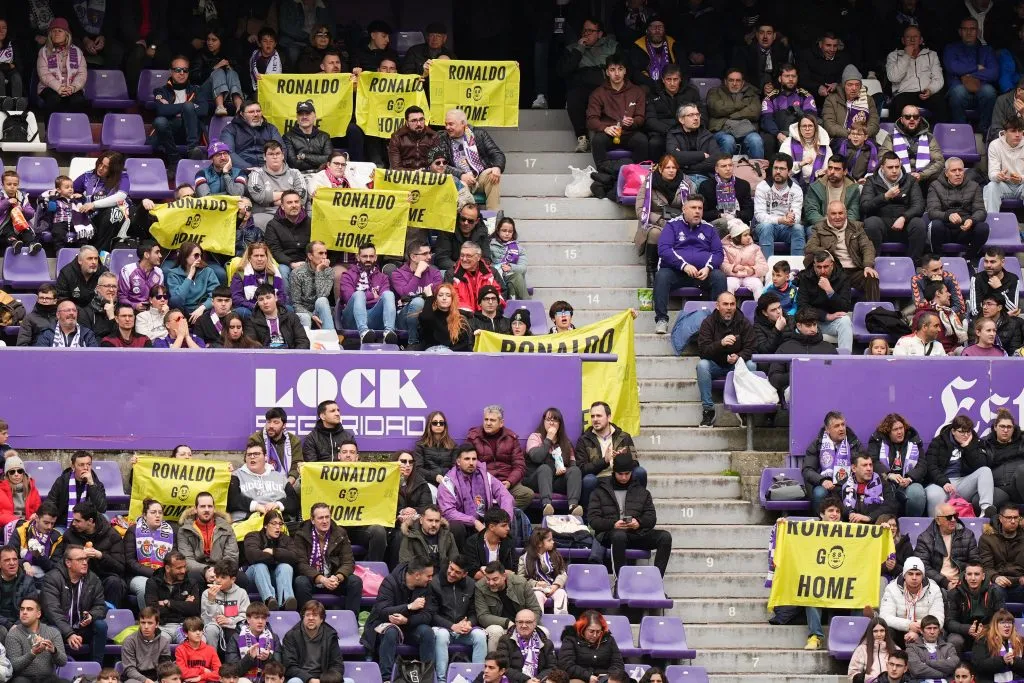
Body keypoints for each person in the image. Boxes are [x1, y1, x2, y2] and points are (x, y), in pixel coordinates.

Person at [588, 452, 671, 576]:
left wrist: (639, 523)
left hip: (635, 533)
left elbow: (651, 518)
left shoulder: (642, 492)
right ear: (614, 472)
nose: (623, 477)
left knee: (665, 537)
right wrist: (613, 524)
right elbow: (593, 520)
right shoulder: (600, 491)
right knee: (619, 536)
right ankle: (620, 582)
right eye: (620, 474)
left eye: (627, 473)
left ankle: (657, 581)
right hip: (611, 534)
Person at [653, 196, 726, 335]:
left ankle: (717, 321)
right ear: (684, 209)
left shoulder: (709, 229)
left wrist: (708, 267)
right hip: (677, 273)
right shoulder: (672, 226)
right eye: (693, 208)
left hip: (702, 274)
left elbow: (718, 253)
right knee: (661, 276)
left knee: (719, 277)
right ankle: (661, 319)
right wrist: (684, 266)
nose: (697, 211)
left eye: (700, 208)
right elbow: (664, 250)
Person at [361, 557, 435, 682]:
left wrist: (407, 621)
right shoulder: (390, 582)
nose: (431, 578)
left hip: (410, 626)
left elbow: (428, 615)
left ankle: (427, 678)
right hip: (384, 626)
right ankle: (386, 679)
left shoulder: (426, 587)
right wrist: (409, 607)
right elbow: (382, 611)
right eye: (428, 576)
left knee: (427, 632)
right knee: (391, 631)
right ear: (417, 575)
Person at [695, 291, 756, 426]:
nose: (729, 307)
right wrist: (720, 344)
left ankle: (744, 408)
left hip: (736, 365)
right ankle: (708, 409)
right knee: (702, 365)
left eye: (732, 304)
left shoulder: (743, 322)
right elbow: (703, 351)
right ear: (717, 306)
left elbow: (751, 348)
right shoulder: (708, 322)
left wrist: (739, 356)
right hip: (715, 364)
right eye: (725, 304)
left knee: (751, 365)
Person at [40, 544, 108, 663]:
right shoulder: (52, 578)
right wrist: (69, 633)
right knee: (51, 630)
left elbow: (100, 605)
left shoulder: (93, 579)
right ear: (68, 563)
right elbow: (52, 611)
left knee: (101, 626)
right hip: (60, 628)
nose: (85, 563)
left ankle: (96, 668)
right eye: (80, 560)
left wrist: (92, 616)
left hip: (82, 628)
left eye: (86, 559)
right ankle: (55, 669)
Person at [437, 444, 515, 548]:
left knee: (507, 521)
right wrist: (473, 521)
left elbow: (505, 495)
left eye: (474, 459)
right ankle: (461, 560)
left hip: (484, 519)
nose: (471, 463)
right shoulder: (448, 482)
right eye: (467, 459)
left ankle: (504, 559)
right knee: (456, 527)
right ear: (458, 462)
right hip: (463, 523)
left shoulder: (484, 475)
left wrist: (505, 519)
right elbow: (449, 512)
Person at [559, 18, 619, 151]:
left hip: (606, 86)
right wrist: (579, 49)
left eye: (590, 31)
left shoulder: (611, 46)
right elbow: (565, 70)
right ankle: (582, 138)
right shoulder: (573, 49)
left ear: (599, 33)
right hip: (582, 88)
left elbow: (621, 68)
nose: (586, 34)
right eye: (584, 30)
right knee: (573, 97)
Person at [575, 402, 646, 511]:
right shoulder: (584, 440)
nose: (595, 419)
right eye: (592, 416)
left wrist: (623, 460)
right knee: (589, 480)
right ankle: (588, 521)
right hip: (598, 478)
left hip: (620, 477)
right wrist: (605, 460)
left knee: (640, 472)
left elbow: (635, 463)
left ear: (608, 417)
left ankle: (638, 511)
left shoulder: (624, 437)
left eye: (599, 416)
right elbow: (581, 469)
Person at [860, 151, 928, 266]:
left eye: (897, 167)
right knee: (871, 223)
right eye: (890, 167)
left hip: (904, 225)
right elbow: (865, 207)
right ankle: (873, 265)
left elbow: (919, 206)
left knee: (919, 224)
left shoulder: (910, 180)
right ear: (882, 167)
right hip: (881, 224)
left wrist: (904, 217)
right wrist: (885, 196)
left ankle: (913, 265)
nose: (894, 170)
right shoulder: (872, 181)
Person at [293, 503, 363, 614]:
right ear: (312, 520)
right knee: (300, 582)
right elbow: (300, 564)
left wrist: (338, 577)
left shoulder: (340, 533)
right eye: (320, 518)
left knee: (355, 581)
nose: (325, 521)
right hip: (313, 580)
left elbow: (349, 562)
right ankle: (307, 620)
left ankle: (351, 621)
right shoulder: (301, 534)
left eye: (327, 517)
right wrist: (321, 579)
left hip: (333, 579)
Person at [806, 202, 880, 300]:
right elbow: (810, 247)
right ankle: (825, 312)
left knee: (871, 276)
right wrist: (827, 253)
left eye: (840, 213)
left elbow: (867, 247)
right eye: (833, 213)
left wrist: (868, 266)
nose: (837, 217)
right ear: (827, 215)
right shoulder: (819, 228)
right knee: (817, 269)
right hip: (833, 271)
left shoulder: (856, 227)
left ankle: (872, 312)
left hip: (854, 270)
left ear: (845, 214)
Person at [429, 556, 486, 683]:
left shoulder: (471, 585)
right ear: (449, 564)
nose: (452, 573)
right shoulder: (435, 582)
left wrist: (469, 623)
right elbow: (431, 614)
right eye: (451, 568)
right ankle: (441, 680)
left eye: (457, 572)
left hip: (463, 629)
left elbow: (475, 612)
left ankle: (479, 679)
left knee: (480, 635)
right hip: (442, 627)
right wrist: (452, 626)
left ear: (465, 574)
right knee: (442, 635)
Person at [467, 406, 534, 510]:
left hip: (507, 482)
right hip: (484, 483)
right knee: (476, 498)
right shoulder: (474, 437)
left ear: (501, 423)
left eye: (492, 420)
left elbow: (519, 465)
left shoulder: (511, 438)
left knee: (527, 494)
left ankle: (501, 515)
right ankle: (499, 515)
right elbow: (467, 463)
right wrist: (484, 481)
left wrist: (509, 482)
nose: (488, 423)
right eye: (486, 419)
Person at [585, 54, 648, 166]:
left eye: (620, 69)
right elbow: (591, 119)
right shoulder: (598, 93)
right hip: (608, 132)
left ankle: (635, 173)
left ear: (625, 71)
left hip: (629, 132)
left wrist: (633, 122)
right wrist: (604, 128)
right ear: (607, 72)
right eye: (612, 70)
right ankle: (604, 175)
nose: (617, 74)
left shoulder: (637, 91)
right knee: (597, 141)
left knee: (642, 140)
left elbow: (640, 117)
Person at [767, 307, 838, 402]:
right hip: (794, 391)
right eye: (808, 325)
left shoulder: (829, 348)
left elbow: (838, 375)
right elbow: (774, 378)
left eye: (814, 324)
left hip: (824, 391)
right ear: (799, 326)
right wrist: (797, 374)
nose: (813, 329)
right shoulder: (785, 347)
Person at [926, 158, 989, 263]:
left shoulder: (974, 186)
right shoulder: (935, 186)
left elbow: (981, 211)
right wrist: (948, 216)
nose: (958, 173)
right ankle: (938, 258)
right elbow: (932, 212)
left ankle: (969, 259)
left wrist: (971, 220)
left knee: (983, 227)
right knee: (935, 225)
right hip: (945, 228)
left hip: (965, 229)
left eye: (960, 170)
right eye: (953, 170)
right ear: (946, 173)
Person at [525, 408, 583, 517]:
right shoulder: (535, 437)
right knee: (545, 468)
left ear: (560, 424)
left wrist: (565, 470)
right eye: (548, 420)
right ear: (543, 422)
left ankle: (573, 506)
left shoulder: (566, 443)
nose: (551, 423)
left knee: (575, 471)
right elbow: (536, 458)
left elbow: (572, 466)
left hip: (556, 481)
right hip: (537, 480)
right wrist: (548, 439)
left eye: (555, 420)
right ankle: (546, 505)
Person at [151, 55, 208, 165]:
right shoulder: (160, 91)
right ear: (171, 72)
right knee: (160, 121)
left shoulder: (197, 90)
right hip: (170, 132)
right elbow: (161, 110)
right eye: (177, 70)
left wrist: (178, 108)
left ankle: (192, 149)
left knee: (188, 106)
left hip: (191, 131)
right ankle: (174, 159)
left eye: (185, 70)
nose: (182, 73)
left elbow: (204, 110)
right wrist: (189, 107)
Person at [945, 17, 999, 133]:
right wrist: (977, 68)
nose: (969, 32)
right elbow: (952, 67)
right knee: (958, 91)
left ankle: (985, 130)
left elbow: (994, 73)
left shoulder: (987, 50)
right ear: (959, 32)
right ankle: (961, 132)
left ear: (978, 32)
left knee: (989, 91)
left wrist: (966, 73)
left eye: (972, 29)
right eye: (965, 29)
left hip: (982, 90)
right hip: (959, 91)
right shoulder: (951, 48)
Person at [914, 503, 982, 592]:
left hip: (964, 582)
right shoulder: (925, 538)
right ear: (938, 520)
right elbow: (923, 566)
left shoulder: (967, 535)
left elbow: (975, 561)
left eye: (955, 516)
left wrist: (964, 579)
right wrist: (945, 582)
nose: (953, 520)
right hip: (936, 583)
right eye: (949, 517)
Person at [475, 562, 542, 652]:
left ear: (504, 576)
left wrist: (525, 624)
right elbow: (482, 616)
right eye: (488, 579)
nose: (491, 583)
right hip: (500, 626)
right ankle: (494, 663)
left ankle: (535, 664)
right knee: (495, 631)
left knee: (544, 631)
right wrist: (507, 623)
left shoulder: (521, 583)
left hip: (523, 623)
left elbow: (535, 610)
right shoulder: (480, 587)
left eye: (495, 579)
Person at [339, 243, 397, 344]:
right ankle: (363, 332)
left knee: (389, 294)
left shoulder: (383, 277)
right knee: (358, 294)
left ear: (375, 257)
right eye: (364, 256)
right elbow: (349, 298)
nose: (368, 259)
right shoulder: (347, 275)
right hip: (352, 318)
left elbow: (384, 299)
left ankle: (389, 333)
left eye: (371, 256)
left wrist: (375, 298)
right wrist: (372, 295)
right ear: (358, 257)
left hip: (374, 315)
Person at [796, 251, 854, 354]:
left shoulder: (843, 277)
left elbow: (845, 306)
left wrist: (830, 292)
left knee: (845, 321)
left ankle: (845, 360)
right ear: (814, 266)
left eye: (826, 266)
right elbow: (802, 306)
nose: (822, 270)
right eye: (819, 267)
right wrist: (826, 316)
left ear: (832, 265)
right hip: (812, 321)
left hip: (833, 323)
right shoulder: (806, 277)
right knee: (797, 325)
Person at [176, 492, 238, 586]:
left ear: (214, 509)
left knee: (242, 579)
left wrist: (219, 572)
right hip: (198, 570)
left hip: (223, 569)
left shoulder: (227, 528)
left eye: (210, 506)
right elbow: (186, 560)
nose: (206, 509)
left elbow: (231, 556)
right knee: (194, 577)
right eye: (202, 506)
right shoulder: (184, 530)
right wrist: (206, 570)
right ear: (195, 509)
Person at [881, 557, 945, 646]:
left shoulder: (934, 589)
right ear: (904, 575)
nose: (914, 578)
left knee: (935, 630)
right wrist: (909, 625)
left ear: (923, 576)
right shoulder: (891, 588)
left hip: (924, 631)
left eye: (918, 574)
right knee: (887, 630)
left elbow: (938, 619)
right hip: (899, 631)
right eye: (910, 574)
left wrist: (918, 631)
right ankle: (891, 658)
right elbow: (885, 617)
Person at [124, 499, 175, 610]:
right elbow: (130, 562)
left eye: (160, 512)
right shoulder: (133, 531)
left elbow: (174, 558)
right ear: (144, 515)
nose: (157, 515)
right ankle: (148, 619)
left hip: (164, 575)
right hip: (137, 576)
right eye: (153, 512)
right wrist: (154, 574)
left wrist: (166, 574)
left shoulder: (170, 532)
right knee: (145, 587)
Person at [887, 26, 946, 120]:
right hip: (904, 94)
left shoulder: (931, 54)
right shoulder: (894, 56)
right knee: (897, 104)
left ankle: (939, 133)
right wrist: (906, 56)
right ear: (903, 40)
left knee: (941, 103)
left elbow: (938, 78)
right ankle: (898, 134)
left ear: (921, 40)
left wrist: (930, 90)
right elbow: (894, 78)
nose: (912, 40)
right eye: (908, 37)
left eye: (915, 37)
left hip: (926, 93)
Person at [754, 153, 805, 259]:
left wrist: (792, 218)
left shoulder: (796, 189)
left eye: (782, 169)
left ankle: (798, 270)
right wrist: (780, 220)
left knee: (798, 228)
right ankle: (766, 270)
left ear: (789, 171)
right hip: (765, 227)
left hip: (786, 227)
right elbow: (759, 216)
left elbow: (797, 216)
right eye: (776, 168)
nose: (778, 171)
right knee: (766, 227)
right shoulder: (762, 187)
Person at [645, 65, 701, 160]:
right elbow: (650, 120)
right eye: (668, 79)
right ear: (663, 80)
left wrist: (686, 129)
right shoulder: (653, 93)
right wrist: (670, 131)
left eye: (675, 79)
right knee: (654, 143)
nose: (672, 83)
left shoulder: (691, 92)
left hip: (687, 131)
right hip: (662, 133)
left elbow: (702, 114)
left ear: (680, 79)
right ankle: (656, 170)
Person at [144, 550, 202, 643]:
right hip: (163, 626)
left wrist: (168, 603)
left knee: (198, 641)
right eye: (179, 568)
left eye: (184, 567)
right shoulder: (153, 583)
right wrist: (184, 605)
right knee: (159, 643)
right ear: (167, 568)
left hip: (186, 626)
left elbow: (194, 609)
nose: (183, 571)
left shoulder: (191, 583)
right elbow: (153, 611)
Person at [6, 595, 67, 683]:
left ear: (38, 614)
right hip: (23, 678)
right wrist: (33, 653)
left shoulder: (53, 632)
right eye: (22, 609)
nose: (24, 612)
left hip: (48, 678)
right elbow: (14, 666)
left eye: (29, 609)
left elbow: (63, 662)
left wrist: (54, 651)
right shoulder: (13, 634)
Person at [946, 562, 1004, 654]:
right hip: (963, 632)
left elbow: (1001, 618)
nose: (973, 578)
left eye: (976, 574)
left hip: (988, 631)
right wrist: (967, 628)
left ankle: (990, 667)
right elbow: (949, 622)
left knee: (997, 637)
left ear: (983, 576)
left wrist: (985, 630)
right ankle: (958, 667)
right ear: (965, 576)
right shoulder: (954, 593)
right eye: (969, 574)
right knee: (955, 641)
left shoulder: (995, 592)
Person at [281, 599, 344, 683]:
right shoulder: (291, 636)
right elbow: (289, 666)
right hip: (302, 678)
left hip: (324, 679)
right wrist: (309, 679)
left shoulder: (330, 635)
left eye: (315, 615)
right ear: (303, 617)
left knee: (349, 681)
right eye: (307, 615)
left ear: (321, 619)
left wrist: (325, 680)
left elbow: (337, 665)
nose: (311, 618)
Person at [707, 68, 763, 159]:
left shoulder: (751, 93)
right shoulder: (715, 92)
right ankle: (724, 171)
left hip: (746, 130)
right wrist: (743, 105)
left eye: (738, 81)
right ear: (725, 81)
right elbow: (717, 109)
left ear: (743, 82)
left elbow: (755, 112)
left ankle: (758, 171)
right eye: (731, 80)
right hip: (722, 130)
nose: (734, 84)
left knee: (756, 140)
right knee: (728, 141)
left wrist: (731, 116)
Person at [882, 106, 945, 187]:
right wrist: (902, 173)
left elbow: (939, 161)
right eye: (908, 117)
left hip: (924, 179)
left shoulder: (929, 137)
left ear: (919, 119)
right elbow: (883, 159)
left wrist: (922, 175)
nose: (912, 119)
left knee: (939, 176)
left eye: (915, 117)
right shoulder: (891, 137)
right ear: (902, 120)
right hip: (898, 179)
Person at [760, 64, 818, 152]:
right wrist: (778, 134)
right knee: (768, 139)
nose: (791, 79)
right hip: (777, 132)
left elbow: (810, 117)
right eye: (787, 76)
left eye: (793, 76)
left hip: (800, 132)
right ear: (780, 78)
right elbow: (767, 119)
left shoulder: (805, 95)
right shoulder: (771, 97)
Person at [35, 18, 88, 114]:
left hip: (72, 87)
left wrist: (73, 87)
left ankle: (76, 128)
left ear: (66, 34)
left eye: (60, 31)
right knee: (53, 99)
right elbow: (44, 75)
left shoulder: (77, 51)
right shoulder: (44, 51)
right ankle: (51, 128)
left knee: (78, 101)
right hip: (50, 87)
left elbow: (82, 74)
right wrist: (59, 88)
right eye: (54, 31)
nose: (56, 33)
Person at [557, 611, 625, 683]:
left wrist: (607, 677)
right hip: (579, 678)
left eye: (598, 631)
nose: (595, 635)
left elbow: (618, 664)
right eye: (591, 631)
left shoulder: (609, 639)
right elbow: (566, 665)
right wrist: (588, 676)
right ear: (583, 629)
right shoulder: (570, 639)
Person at [43, 450, 105, 529]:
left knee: (105, 518)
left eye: (88, 464)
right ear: (73, 466)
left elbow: (102, 508)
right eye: (81, 465)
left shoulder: (96, 483)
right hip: (64, 524)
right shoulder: (62, 481)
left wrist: (91, 484)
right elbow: (50, 502)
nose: (86, 468)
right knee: (56, 537)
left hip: (87, 526)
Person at [697, 155, 755, 238]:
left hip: (739, 223)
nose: (728, 169)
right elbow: (703, 213)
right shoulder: (706, 186)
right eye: (724, 166)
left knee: (742, 229)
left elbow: (749, 212)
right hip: (716, 223)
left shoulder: (743, 185)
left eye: (730, 165)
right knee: (724, 222)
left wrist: (735, 215)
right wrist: (720, 215)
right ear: (716, 169)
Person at [496, 608, 556, 683]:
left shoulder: (546, 643)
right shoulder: (505, 640)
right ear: (516, 623)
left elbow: (552, 668)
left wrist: (537, 680)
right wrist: (526, 680)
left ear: (535, 623)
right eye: (520, 622)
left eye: (528, 622)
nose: (524, 625)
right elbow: (503, 667)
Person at [200, 558, 248, 651]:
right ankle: (211, 661)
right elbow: (205, 620)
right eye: (217, 576)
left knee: (239, 631)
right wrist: (211, 602)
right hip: (214, 628)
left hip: (233, 628)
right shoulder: (207, 593)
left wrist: (229, 621)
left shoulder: (242, 593)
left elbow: (245, 617)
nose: (218, 580)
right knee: (211, 629)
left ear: (233, 579)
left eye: (223, 577)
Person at [821, 65, 879, 142]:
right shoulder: (832, 99)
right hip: (841, 139)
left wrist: (861, 134)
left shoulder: (868, 100)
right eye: (850, 85)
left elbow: (874, 124)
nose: (854, 88)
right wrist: (851, 134)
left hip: (864, 139)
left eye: (857, 85)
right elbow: (829, 125)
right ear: (843, 85)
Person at [518, 528, 568, 615]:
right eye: (549, 540)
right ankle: (539, 622)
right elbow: (521, 578)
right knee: (537, 595)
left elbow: (562, 573)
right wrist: (536, 584)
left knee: (562, 593)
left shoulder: (555, 555)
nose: (553, 542)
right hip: (535, 589)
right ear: (539, 543)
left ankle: (561, 620)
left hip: (553, 587)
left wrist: (555, 586)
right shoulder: (524, 558)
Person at [222, 101, 284, 171]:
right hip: (242, 170)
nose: (256, 114)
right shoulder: (230, 129)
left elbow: (281, 149)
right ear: (242, 114)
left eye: (258, 111)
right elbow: (228, 152)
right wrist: (249, 168)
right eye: (251, 112)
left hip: (269, 170)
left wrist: (269, 168)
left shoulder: (270, 129)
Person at [231, 242, 287, 317]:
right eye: (256, 256)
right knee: (242, 312)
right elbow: (236, 298)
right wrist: (256, 306)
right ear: (249, 258)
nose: (259, 259)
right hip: (251, 309)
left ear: (267, 257)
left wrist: (271, 306)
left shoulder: (274, 273)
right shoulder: (240, 274)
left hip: (272, 307)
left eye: (262, 256)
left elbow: (281, 294)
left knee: (288, 309)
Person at [164, 242, 219, 319]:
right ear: (185, 256)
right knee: (174, 301)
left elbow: (215, 295)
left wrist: (202, 308)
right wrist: (190, 276)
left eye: (200, 255)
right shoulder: (173, 274)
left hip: (203, 309)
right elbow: (177, 300)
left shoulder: (208, 271)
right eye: (196, 255)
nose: (199, 258)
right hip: (183, 311)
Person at [665, 103, 720, 178]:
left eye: (697, 114)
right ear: (681, 120)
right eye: (691, 115)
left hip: (704, 176)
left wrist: (688, 167)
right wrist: (702, 155)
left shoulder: (707, 134)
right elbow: (674, 157)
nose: (696, 118)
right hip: (681, 177)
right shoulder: (674, 134)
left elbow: (716, 159)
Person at [804, 156, 861, 226]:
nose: (832, 172)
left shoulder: (853, 189)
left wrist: (841, 225)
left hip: (845, 226)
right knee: (811, 231)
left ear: (845, 172)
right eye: (830, 168)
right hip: (821, 225)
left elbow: (853, 213)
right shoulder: (816, 187)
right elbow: (811, 211)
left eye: (837, 169)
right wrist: (827, 224)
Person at [779, 115, 832, 189]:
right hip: (794, 180)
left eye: (810, 126)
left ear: (815, 128)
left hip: (817, 182)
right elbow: (782, 167)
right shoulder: (788, 142)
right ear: (799, 128)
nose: (807, 129)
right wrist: (800, 164)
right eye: (804, 126)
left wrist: (822, 172)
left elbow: (828, 167)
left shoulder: (824, 146)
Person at [250, 284, 310, 350]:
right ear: (257, 302)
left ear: (275, 298)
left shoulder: (291, 317)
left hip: (290, 356)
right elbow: (253, 346)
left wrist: (294, 357)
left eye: (268, 297)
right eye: (261, 299)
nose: (265, 302)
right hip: (265, 357)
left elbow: (303, 341)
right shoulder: (252, 321)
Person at [435, 203, 491, 272]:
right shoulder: (448, 229)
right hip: (453, 268)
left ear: (477, 221)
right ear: (459, 216)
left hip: (475, 269)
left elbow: (486, 258)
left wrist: (473, 268)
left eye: (470, 221)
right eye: (463, 219)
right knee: (442, 273)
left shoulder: (482, 231)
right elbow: (441, 258)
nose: (466, 223)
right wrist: (461, 268)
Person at [121, 606, 172, 683]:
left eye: (150, 623)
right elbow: (129, 669)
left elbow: (164, 667)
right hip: (134, 678)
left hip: (156, 678)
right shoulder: (129, 641)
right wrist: (144, 680)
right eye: (143, 622)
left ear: (157, 624)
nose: (146, 627)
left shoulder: (164, 641)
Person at [971, 609, 1024, 683]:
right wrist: (1002, 660)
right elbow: (979, 665)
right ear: (995, 625)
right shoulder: (983, 640)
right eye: (1002, 622)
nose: (1007, 625)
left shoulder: (1019, 641)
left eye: (1010, 622)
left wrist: (1014, 662)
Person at [464, 507, 515, 580]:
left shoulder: (509, 541)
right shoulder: (472, 542)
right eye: (504, 525)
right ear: (491, 527)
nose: (508, 528)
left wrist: (489, 573)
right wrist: (500, 575)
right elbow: (473, 573)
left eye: (508, 525)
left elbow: (512, 571)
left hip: (504, 585)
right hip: (479, 585)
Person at [722, 219, 768, 299]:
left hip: (751, 276)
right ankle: (729, 309)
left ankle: (760, 309)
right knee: (728, 284)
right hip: (733, 276)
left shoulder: (755, 248)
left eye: (749, 234)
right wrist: (733, 268)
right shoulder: (725, 248)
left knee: (757, 284)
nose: (749, 237)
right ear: (737, 237)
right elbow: (723, 264)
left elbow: (763, 266)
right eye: (745, 235)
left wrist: (753, 269)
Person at [283, 100, 332, 174]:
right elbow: (293, 164)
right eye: (301, 114)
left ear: (315, 116)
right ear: (297, 117)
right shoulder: (288, 137)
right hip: (298, 176)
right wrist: (320, 161)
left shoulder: (324, 136)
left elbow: (329, 160)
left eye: (308, 113)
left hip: (322, 176)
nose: (304, 117)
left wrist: (304, 156)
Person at [971, 248, 1021, 318]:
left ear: (1002, 262)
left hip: (1005, 323)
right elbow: (975, 311)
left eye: (992, 262)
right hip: (984, 323)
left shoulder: (1013, 279)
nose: (988, 265)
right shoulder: (977, 278)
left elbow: (1013, 310)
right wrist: (1003, 316)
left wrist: (999, 289)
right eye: (986, 261)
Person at [55, 246, 108, 312]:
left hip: (97, 313)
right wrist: (81, 313)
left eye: (96, 258)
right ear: (80, 261)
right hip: (73, 313)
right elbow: (62, 299)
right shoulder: (66, 273)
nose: (94, 262)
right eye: (90, 258)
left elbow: (109, 296)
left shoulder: (104, 273)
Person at [849, 618, 898, 683]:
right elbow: (852, 675)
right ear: (870, 632)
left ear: (886, 632)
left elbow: (902, 672)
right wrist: (871, 680)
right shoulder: (861, 649)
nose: (879, 634)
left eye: (882, 631)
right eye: (875, 631)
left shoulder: (896, 650)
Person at [118, 242, 164, 310]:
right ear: (146, 255)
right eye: (157, 252)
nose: (160, 256)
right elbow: (122, 298)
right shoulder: (128, 270)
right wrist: (134, 306)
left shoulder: (159, 272)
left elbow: (160, 296)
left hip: (152, 312)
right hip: (131, 311)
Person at [176, 616, 220, 683]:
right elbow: (181, 673)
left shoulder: (210, 650)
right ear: (186, 633)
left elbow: (220, 673)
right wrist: (202, 670)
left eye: (200, 630)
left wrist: (200, 677)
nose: (198, 633)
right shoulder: (180, 649)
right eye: (194, 630)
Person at [0, 454, 39, 528]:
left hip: (29, 525)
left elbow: (39, 509)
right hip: (9, 526)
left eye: (19, 471)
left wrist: (36, 515)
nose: (16, 474)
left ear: (23, 473)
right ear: (7, 475)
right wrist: (18, 522)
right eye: (12, 472)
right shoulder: (1, 489)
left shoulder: (31, 488)